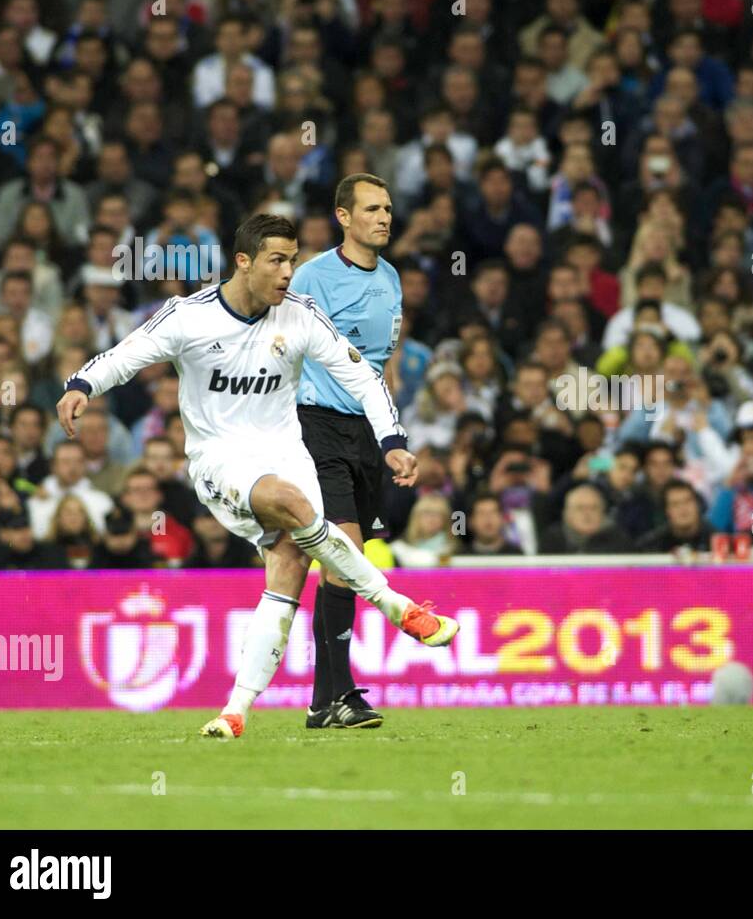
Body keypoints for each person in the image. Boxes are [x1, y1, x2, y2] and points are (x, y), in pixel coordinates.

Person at [56, 214, 458, 740]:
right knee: (292, 505)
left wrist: (393, 440)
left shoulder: (300, 316)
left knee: (290, 565)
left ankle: (236, 710)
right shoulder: (188, 316)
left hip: (287, 452)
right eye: (277, 260)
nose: (289, 272)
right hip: (220, 458)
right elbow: (127, 356)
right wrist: (82, 383)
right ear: (243, 261)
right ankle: (397, 606)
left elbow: (362, 376)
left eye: (292, 259)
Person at [291, 173, 404, 731]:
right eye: (371, 209)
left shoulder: (391, 279)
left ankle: (321, 702)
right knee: (345, 556)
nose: (384, 217)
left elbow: (385, 365)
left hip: (365, 435)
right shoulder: (311, 276)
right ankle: (342, 696)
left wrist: (391, 439)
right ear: (343, 216)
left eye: (387, 208)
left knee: (339, 566)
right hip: (316, 426)